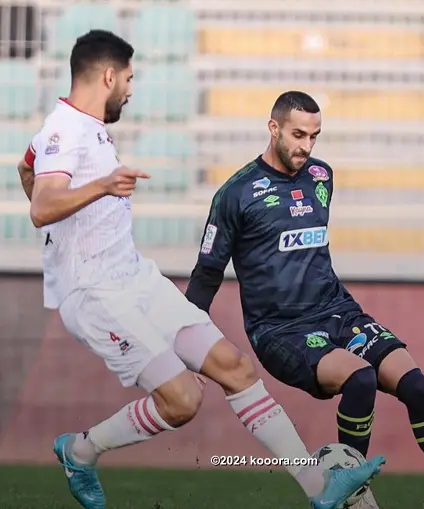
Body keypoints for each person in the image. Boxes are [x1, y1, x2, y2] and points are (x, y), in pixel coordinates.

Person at [19, 33, 384, 509]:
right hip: (94, 293)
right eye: (128, 79)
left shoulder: (76, 128)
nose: (130, 90)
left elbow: (31, 169)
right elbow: (43, 208)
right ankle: (79, 451)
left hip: (135, 278)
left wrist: (58, 191)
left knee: (233, 367)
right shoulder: (67, 130)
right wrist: (104, 186)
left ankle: (318, 487)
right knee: (182, 400)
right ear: (108, 76)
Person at [185, 91, 424, 509]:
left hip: (338, 312)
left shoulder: (322, 176)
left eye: (314, 136)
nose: (306, 146)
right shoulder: (236, 194)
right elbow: (206, 276)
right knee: (361, 379)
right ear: (274, 128)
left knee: (418, 387)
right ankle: (354, 498)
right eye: (298, 134)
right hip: (281, 330)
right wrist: (189, 348)